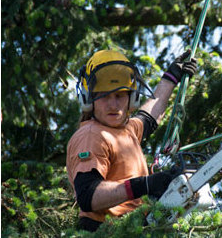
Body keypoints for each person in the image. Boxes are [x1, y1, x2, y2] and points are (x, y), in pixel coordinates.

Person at [66, 49, 197, 232]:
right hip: (102, 231)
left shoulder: (124, 130)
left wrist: (171, 77)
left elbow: (149, 118)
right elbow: (89, 195)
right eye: (104, 96)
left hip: (133, 228)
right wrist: (146, 184)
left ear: (132, 98)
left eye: (119, 96)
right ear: (89, 99)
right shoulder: (92, 135)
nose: (113, 105)